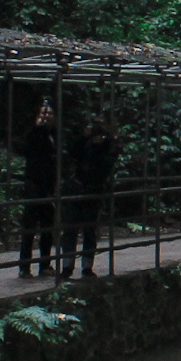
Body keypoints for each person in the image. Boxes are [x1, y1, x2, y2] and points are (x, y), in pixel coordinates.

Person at [63, 113, 119, 279]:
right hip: (78, 188)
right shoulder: (84, 142)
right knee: (70, 228)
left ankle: (87, 266)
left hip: (94, 191)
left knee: (89, 229)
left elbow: (107, 164)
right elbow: (73, 154)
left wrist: (103, 144)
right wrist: (84, 138)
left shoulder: (109, 144)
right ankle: (67, 265)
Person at [19, 99, 61, 278]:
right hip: (35, 186)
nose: (46, 117)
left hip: (48, 187)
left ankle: (45, 264)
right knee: (30, 228)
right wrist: (38, 129)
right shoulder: (34, 134)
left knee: (47, 228)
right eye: (43, 113)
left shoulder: (54, 135)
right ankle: (24, 266)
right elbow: (29, 149)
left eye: (49, 113)